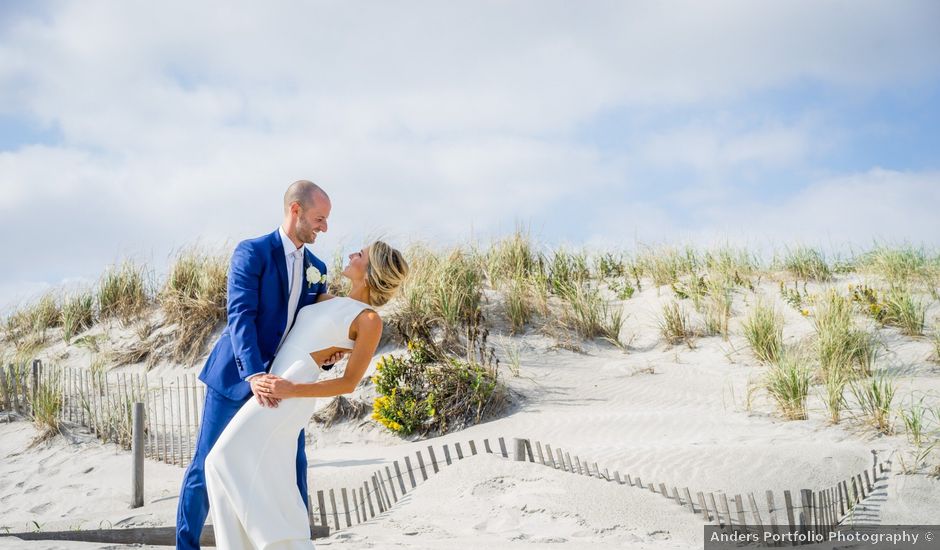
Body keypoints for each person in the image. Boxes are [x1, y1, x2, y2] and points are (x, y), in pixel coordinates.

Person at [204, 241, 409, 549]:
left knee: (221, 459)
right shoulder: (329, 299)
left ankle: (281, 541)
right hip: (278, 384)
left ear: (369, 272)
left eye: (361, 254)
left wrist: (292, 389)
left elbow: (349, 383)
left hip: (291, 391)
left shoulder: (369, 320)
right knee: (249, 470)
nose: (353, 253)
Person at [176, 180, 343, 550]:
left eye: (327, 220)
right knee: (206, 467)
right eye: (320, 218)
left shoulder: (318, 267)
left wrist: (327, 357)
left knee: (293, 467)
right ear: (295, 210)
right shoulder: (252, 252)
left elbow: (309, 327)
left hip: (284, 385)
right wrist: (254, 374)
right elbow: (240, 316)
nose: (325, 228)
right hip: (237, 377)